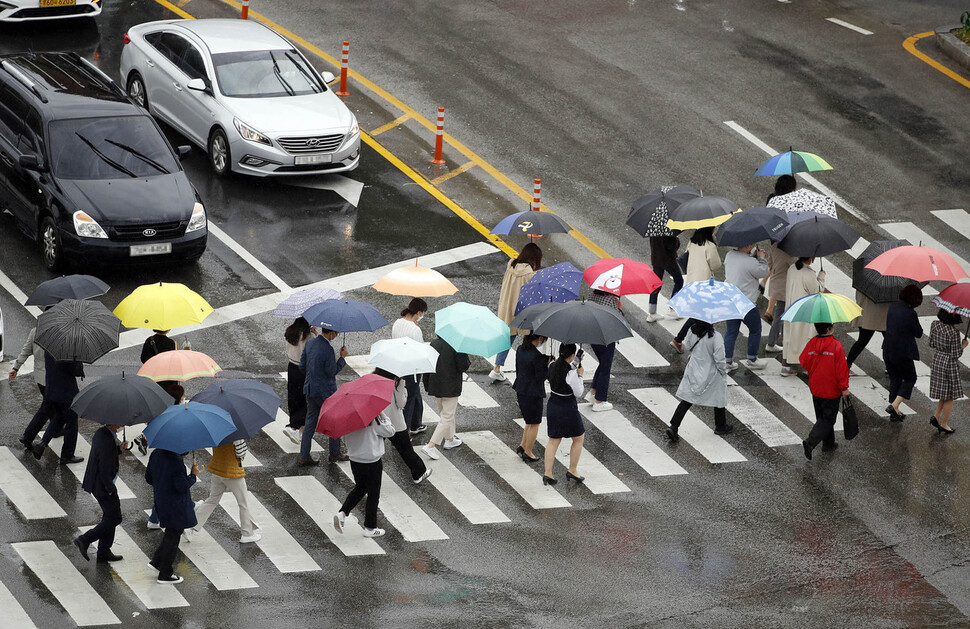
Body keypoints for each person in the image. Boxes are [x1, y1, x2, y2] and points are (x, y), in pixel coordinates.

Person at [666, 321, 733, 442]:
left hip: (694, 369)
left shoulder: (692, 331)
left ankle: (674, 426)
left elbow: (687, 346)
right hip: (710, 372)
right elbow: (719, 358)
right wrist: (723, 371)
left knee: (687, 400)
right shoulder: (715, 337)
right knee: (718, 394)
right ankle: (720, 425)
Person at [333, 412, 396, 538]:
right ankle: (370, 527)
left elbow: (344, 438)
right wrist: (383, 416)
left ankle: (343, 513)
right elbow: (391, 431)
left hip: (355, 460)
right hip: (372, 461)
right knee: (373, 494)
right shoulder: (373, 419)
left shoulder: (346, 420)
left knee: (361, 487)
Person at [146, 449, 202, 584]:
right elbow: (181, 486)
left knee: (171, 533)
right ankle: (165, 573)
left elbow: (148, 478)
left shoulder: (156, 453)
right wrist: (193, 475)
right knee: (174, 535)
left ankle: (157, 562)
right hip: (175, 505)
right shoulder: (176, 461)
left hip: (161, 500)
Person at [73, 423, 127, 563]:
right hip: (103, 485)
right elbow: (104, 467)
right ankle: (84, 540)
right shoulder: (107, 440)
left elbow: (105, 456)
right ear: (113, 423)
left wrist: (119, 449)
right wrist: (109, 488)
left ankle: (104, 551)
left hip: (99, 483)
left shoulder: (102, 433)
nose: (122, 424)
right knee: (115, 518)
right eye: (120, 421)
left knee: (109, 516)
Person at [192, 438, 261, 543]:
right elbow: (241, 453)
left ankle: (191, 524)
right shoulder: (236, 435)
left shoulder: (216, 431)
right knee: (243, 503)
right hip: (232, 472)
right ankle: (247, 533)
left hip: (217, 470)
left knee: (212, 500)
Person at [491, 243, 542, 382]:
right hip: (522, 310)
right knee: (529, 338)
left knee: (508, 338)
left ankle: (497, 367)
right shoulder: (530, 274)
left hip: (507, 307)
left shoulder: (511, 265)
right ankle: (529, 368)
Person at [298, 328, 349, 466]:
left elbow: (302, 366)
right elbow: (332, 371)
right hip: (325, 392)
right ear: (331, 333)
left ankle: (304, 455)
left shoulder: (310, 343)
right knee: (334, 420)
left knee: (310, 422)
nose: (336, 336)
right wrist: (342, 358)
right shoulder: (328, 350)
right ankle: (334, 453)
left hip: (310, 388)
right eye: (336, 333)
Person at [800, 322, 850, 460]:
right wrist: (844, 387)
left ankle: (828, 443)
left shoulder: (812, 343)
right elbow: (842, 369)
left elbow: (803, 361)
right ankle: (810, 442)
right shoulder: (836, 345)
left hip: (816, 387)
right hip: (831, 389)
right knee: (828, 419)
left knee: (821, 416)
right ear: (829, 328)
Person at [373, 367, 431, 483]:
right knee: (406, 450)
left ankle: (367, 479)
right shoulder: (397, 382)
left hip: (378, 420)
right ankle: (419, 473)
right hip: (395, 422)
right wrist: (404, 389)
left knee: (373, 450)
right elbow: (401, 403)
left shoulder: (374, 378)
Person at [671, 227, 721, 354]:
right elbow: (716, 265)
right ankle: (682, 340)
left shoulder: (692, 242)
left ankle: (680, 340)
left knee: (700, 315)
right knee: (702, 315)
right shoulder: (710, 246)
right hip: (705, 285)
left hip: (692, 282)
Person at [421, 335, 470, 460]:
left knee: (445, 414)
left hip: (436, 385)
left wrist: (427, 384)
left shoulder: (433, 344)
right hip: (450, 386)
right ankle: (431, 446)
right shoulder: (457, 345)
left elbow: (427, 365)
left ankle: (450, 439)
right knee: (447, 416)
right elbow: (463, 366)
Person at [543, 343, 586, 485]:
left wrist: (575, 363)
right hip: (567, 406)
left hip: (553, 404)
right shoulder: (572, 373)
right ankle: (572, 469)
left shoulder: (553, 365)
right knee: (578, 437)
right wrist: (580, 375)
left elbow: (565, 369)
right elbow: (578, 392)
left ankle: (548, 473)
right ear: (572, 355)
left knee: (553, 440)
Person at [31, 352, 83, 464]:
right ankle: (67, 455)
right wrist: (78, 360)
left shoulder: (49, 348)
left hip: (51, 390)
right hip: (66, 393)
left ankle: (42, 443)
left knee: (59, 417)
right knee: (72, 423)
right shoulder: (68, 352)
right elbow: (76, 371)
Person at [723, 243, 769, 371]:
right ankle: (752, 358)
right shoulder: (750, 262)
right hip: (746, 302)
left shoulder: (729, 255)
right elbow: (764, 271)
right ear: (748, 246)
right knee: (755, 329)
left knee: (731, 332)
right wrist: (761, 258)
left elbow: (741, 267)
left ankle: (727, 361)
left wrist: (753, 256)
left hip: (731, 300)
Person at [9, 324, 55, 449]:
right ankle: (28, 436)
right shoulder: (57, 334)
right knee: (47, 407)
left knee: (51, 405)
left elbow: (26, 350)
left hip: (39, 378)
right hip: (52, 378)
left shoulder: (35, 331)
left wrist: (16, 367)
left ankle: (56, 428)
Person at [147, 384, 185, 531]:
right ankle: (158, 518)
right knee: (172, 488)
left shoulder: (161, 411)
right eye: (182, 395)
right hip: (172, 454)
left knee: (161, 487)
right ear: (178, 398)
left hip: (161, 453)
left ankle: (154, 518)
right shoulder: (177, 414)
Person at [883, 285, 923, 421]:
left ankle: (894, 411)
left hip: (888, 348)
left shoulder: (893, 306)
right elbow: (918, 333)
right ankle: (894, 405)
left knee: (895, 378)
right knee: (910, 378)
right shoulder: (910, 313)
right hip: (902, 352)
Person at [781, 257, 824, 376]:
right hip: (804, 309)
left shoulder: (792, 268)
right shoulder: (809, 274)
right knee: (805, 338)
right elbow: (817, 291)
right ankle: (807, 367)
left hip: (790, 307)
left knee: (789, 337)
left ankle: (785, 366)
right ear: (811, 258)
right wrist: (821, 277)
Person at [392, 298, 429, 434]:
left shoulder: (397, 323)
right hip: (412, 368)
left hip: (397, 365)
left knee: (413, 394)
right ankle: (404, 431)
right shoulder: (415, 329)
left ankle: (416, 423)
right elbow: (420, 350)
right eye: (422, 313)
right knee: (409, 398)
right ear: (418, 312)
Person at [512, 333, 550, 462]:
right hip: (533, 393)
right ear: (540, 338)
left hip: (521, 389)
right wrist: (547, 364)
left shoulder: (520, 349)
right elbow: (542, 376)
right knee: (534, 423)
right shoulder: (537, 356)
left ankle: (523, 446)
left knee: (529, 421)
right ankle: (528, 451)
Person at [929, 310, 966, 434]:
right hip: (949, 364)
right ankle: (944, 424)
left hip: (937, 360)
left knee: (943, 392)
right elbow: (956, 354)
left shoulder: (934, 324)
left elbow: (931, 343)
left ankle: (936, 415)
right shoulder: (953, 333)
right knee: (949, 395)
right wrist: (963, 346)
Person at [585, 289, 622, 411]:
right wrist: (620, 308)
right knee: (606, 368)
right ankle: (600, 400)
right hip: (606, 337)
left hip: (592, 335)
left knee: (602, 364)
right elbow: (617, 319)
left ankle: (592, 392)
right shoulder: (611, 300)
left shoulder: (592, 296)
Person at [283, 317, 316, 444]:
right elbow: (313, 353)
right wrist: (315, 335)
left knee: (293, 396)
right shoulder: (309, 336)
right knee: (304, 400)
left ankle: (293, 424)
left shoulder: (290, 332)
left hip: (291, 367)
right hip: (304, 369)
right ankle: (299, 429)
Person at [845, 292, 891, 369]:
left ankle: (847, 365)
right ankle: (889, 366)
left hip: (867, 316)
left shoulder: (865, 284)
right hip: (883, 315)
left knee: (861, 342)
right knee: (889, 342)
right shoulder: (888, 284)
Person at [764, 243, 795, 353]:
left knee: (782, 313)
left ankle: (782, 339)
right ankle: (771, 342)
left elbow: (770, 264)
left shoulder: (774, 246)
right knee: (780, 315)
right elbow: (795, 266)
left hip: (775, 283)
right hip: (784, 286)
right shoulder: (790, 250)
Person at [646, 232, 684, 322]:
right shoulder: (668, 229)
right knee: (679, 281)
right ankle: (673, 308)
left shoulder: (654, 226)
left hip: (656, 258)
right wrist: (676, 239)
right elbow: (672, 247)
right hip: (668, 260)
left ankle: (652, 313)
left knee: (656, 285)